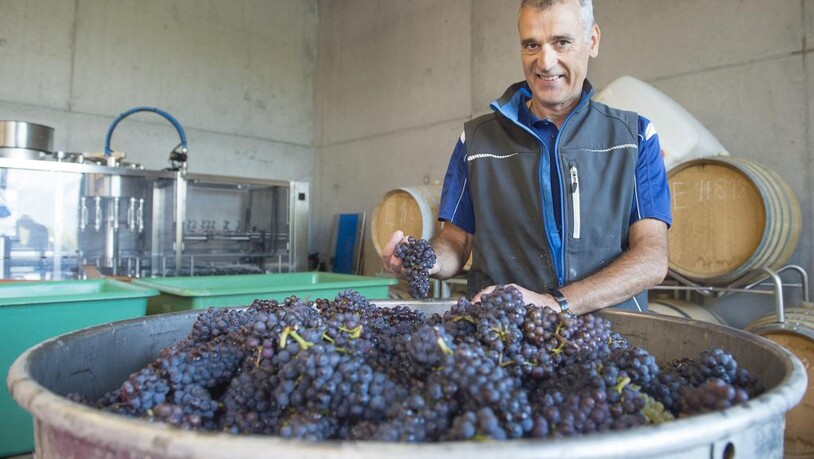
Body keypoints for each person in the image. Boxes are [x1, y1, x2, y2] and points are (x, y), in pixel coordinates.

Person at [382, 0, 671, 315]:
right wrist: (426, 260)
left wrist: (555, 303)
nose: (545, 62)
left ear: (592, 41)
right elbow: (455, 241)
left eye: (561, 42)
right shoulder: (477, 141)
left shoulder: (634, 137)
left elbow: (651, 258)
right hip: (504, 335)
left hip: (610, 336)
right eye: (532, 45)